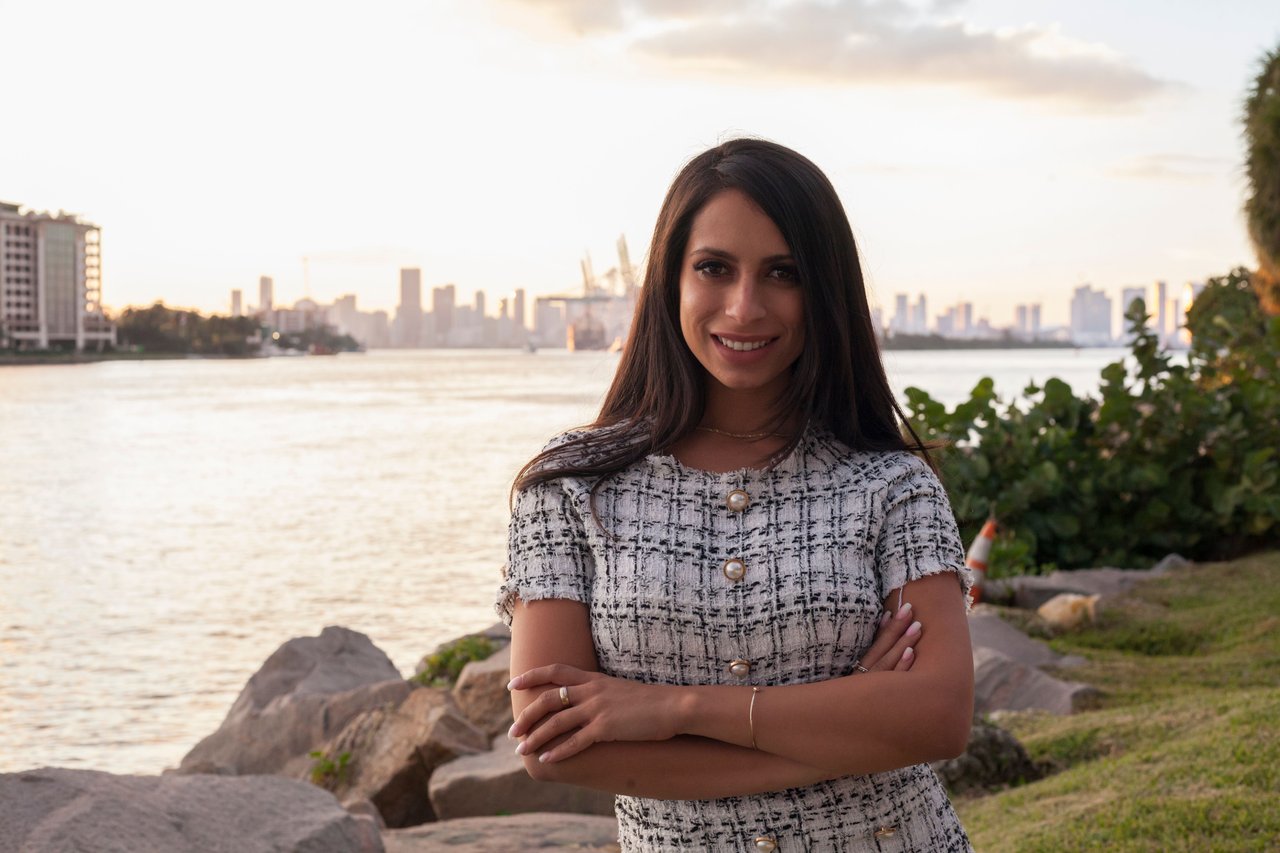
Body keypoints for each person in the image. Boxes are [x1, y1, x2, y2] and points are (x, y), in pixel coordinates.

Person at [496, 138, 975, 852]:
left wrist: (672, 708)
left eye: (783, 272)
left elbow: (938, 718)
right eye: (714, 268)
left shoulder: (890, 486)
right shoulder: (569, 490)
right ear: (670, 281)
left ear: (826, 290)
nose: (745, 306)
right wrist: (850, 729)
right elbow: (554, 744)